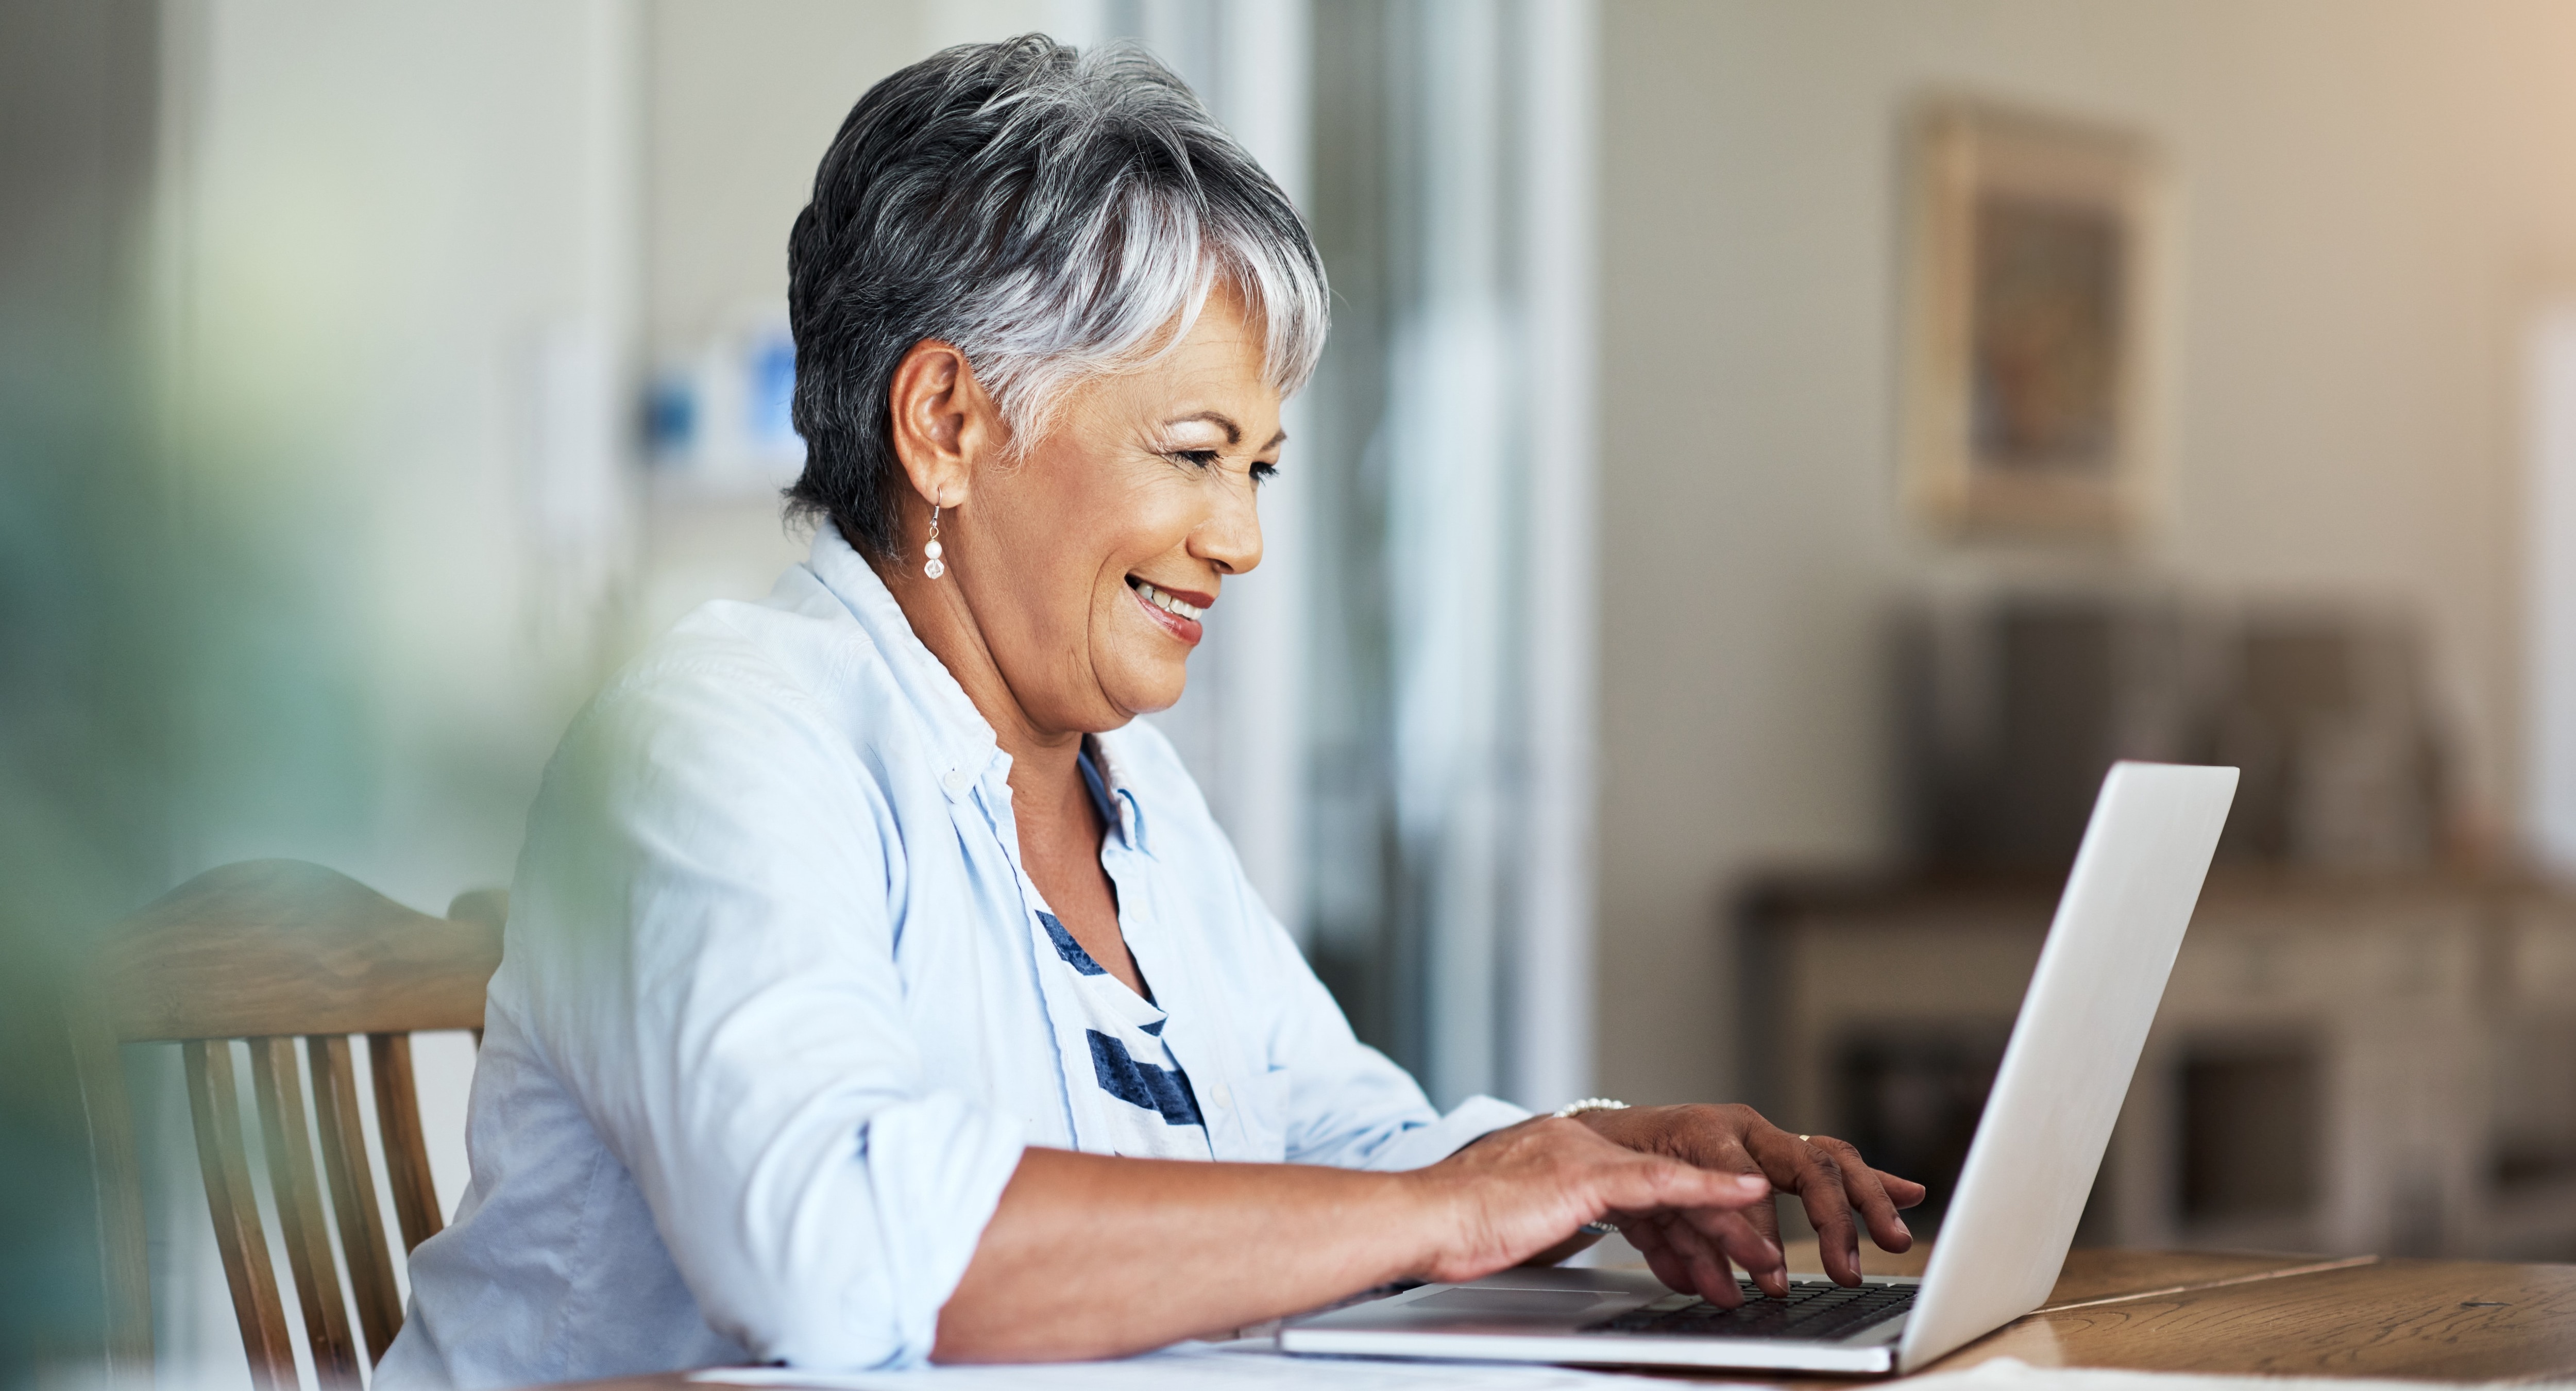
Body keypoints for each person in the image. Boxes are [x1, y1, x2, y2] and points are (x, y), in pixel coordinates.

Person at [377, 36, 1922, 1388]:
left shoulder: (1130, 790)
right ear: (949, 421)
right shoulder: (714, 739)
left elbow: (1326, 1142)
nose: (1242, 538)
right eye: (1191, 453)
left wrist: (1596, 1162)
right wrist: (1447, 1209)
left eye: (1258, 468)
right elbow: (830, 1243)